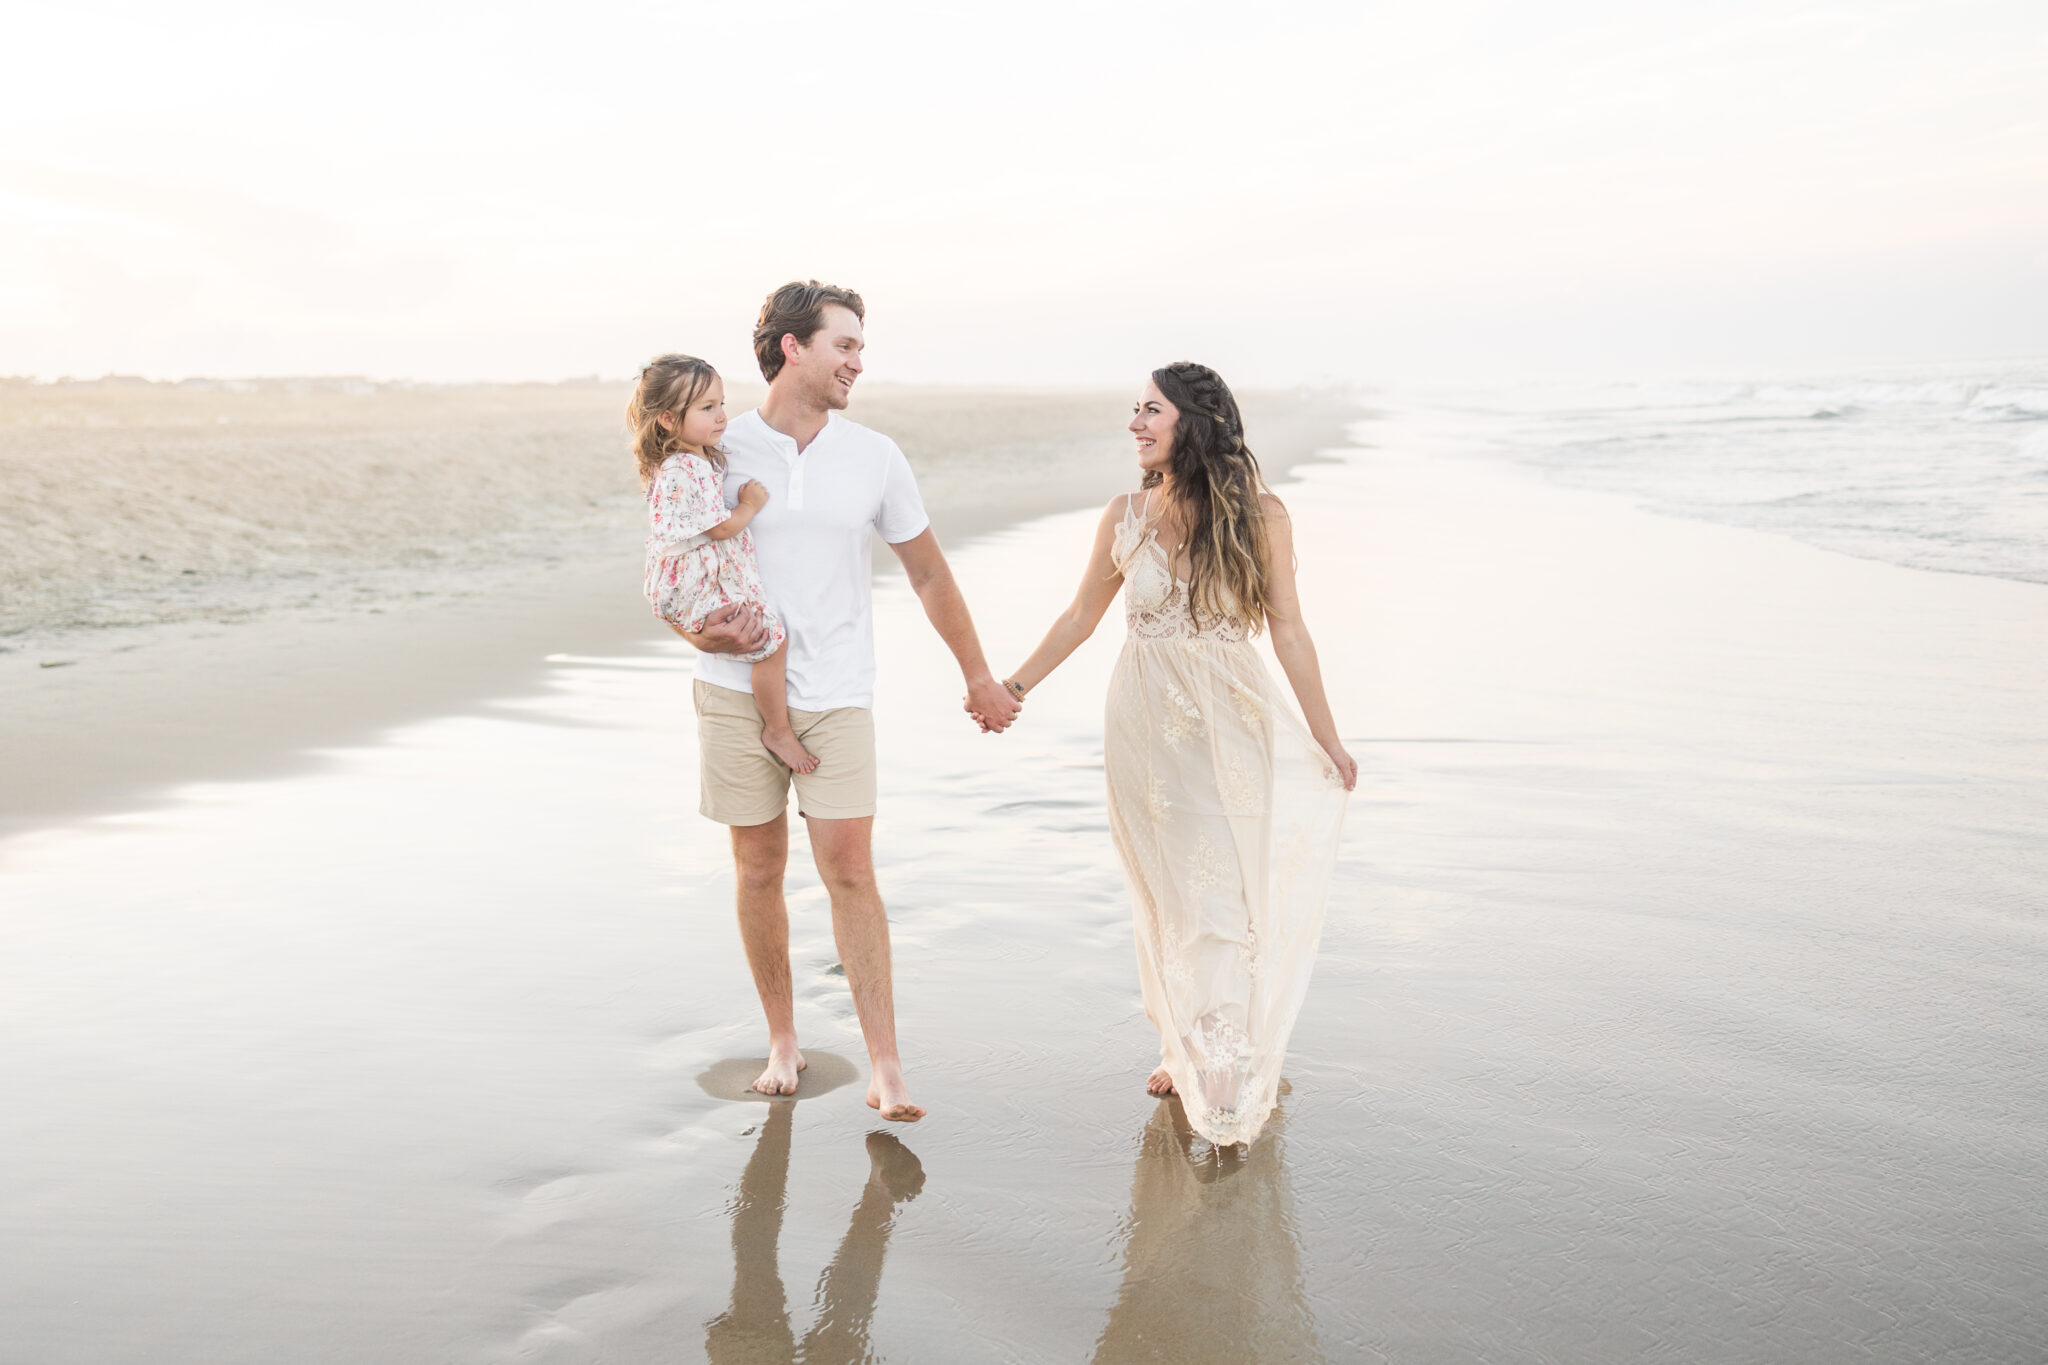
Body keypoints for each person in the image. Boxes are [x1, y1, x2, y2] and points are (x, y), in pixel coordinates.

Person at [678, 280, 1021, 1122]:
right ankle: (783, 1042)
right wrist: (694, 634)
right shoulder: (716, 450)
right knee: (758, 870)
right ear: (793, 347)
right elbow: (674, 558)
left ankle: (886, 1065)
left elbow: (930, 571)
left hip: (837, 695)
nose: (858, 363)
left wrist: (978, 675)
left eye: (860, 348)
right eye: (845, 345)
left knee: (851, 873)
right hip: (733, 692)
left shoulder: (874, 455)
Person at [998, 362, 1355, 1146]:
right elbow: (1081, 614)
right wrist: (1012, 686)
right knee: (1162, 886)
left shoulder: (1262, 514)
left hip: (1230, 721)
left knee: (1219, 891)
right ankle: (1177, 1038)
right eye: (1134, 409)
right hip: (1143, 724)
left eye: (1150, 410)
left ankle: (1223, 1063)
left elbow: (1289, 629)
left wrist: (1326, 734)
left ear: (1193, 421)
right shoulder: (1124, 511)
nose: (1134, 422)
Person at [633, 355, 816, 774]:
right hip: (698, 581)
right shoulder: (687, 468)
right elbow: (720, 530)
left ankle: (774, 725)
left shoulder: (682, 462)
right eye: (706, 408)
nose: (721, 416)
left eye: (721, 404)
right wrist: (748, 506)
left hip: (682, 578)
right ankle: (777, 730)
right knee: (771, 642)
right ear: (666, 419)